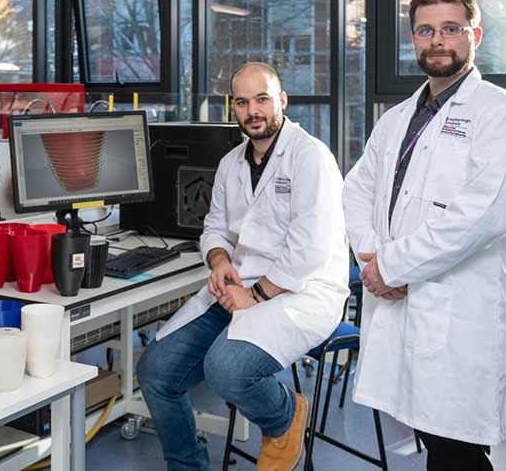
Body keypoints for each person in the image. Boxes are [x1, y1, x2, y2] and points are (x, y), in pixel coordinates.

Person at [342, 0, 506, 471]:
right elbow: (357, 190)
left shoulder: (505, 116)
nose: (438, 41)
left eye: (451, 29)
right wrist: (372, 260)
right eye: (426, 31)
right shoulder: (395, 119)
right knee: (433, 439)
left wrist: (389, 266)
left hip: (460, 313)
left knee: (458, 449)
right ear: (414, 39)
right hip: (399, 300)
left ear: (474, 35)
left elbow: (481, 217)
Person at [136, 62, 349, 471]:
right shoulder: (232, 162)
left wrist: (254, 295)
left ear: (282, 100)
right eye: (242, 102)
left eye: (263, 99)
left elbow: (310, 251)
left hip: (300, 294)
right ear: (232, 108)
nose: (254, 110)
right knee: (156, 371)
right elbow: (215, 225)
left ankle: (284, 415)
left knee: (226, 370)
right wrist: (217, 262)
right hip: (239, 290)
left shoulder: (311, 159)